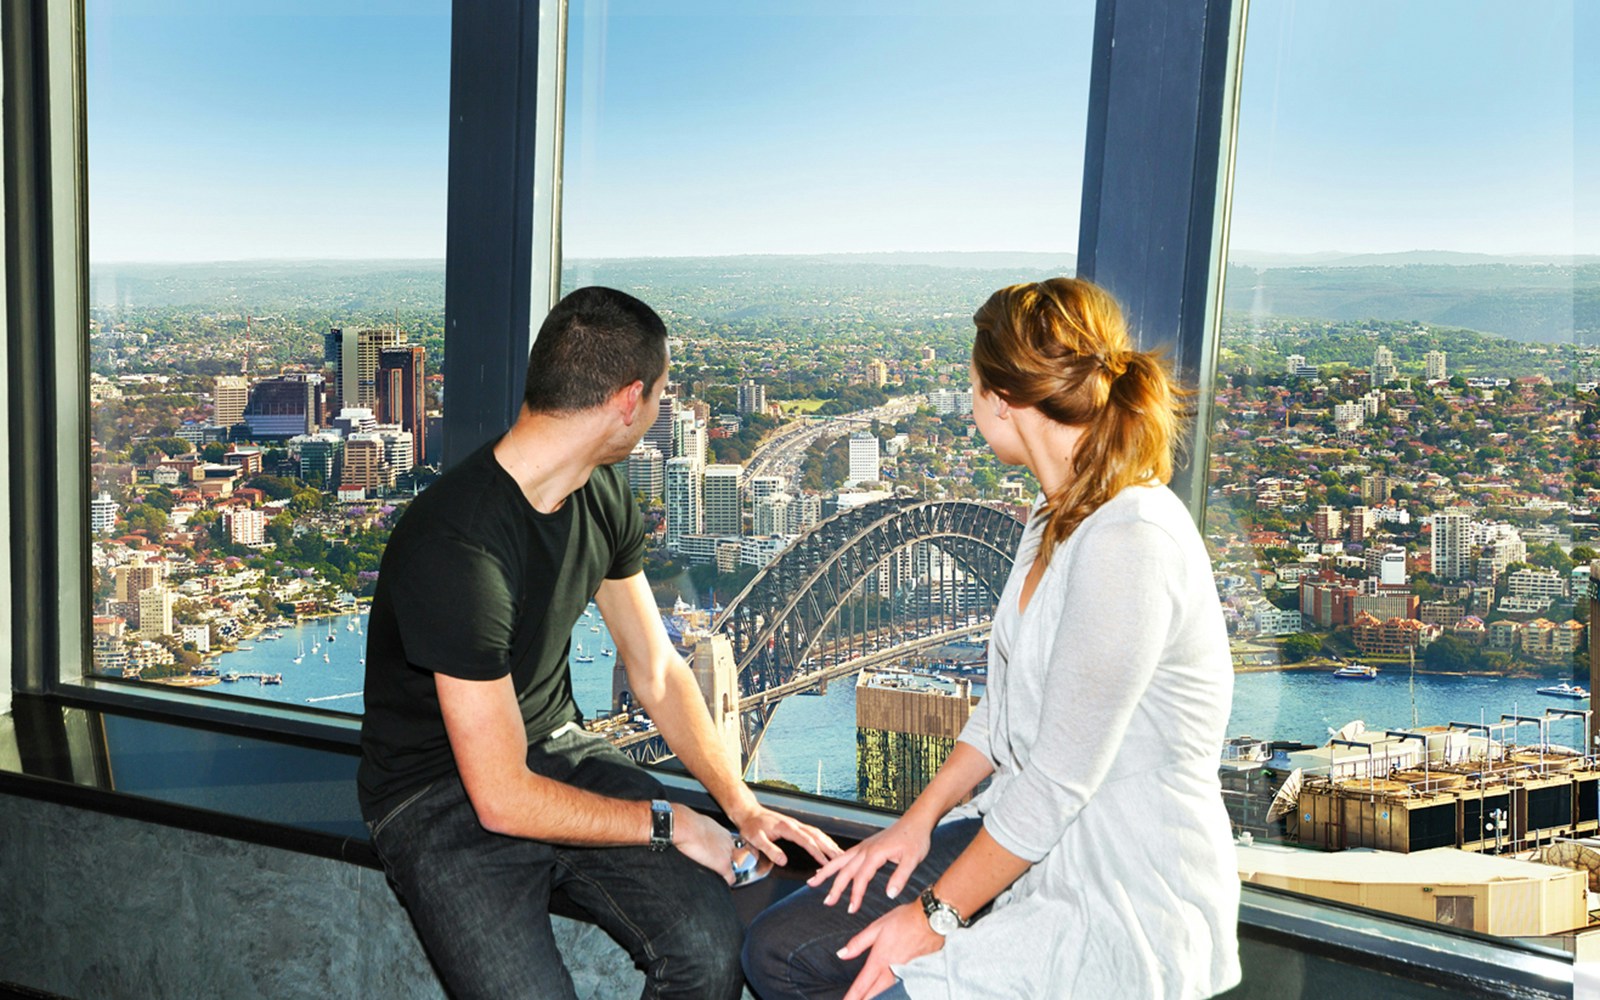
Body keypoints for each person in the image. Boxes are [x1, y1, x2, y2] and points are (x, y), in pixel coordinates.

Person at [742, 277, 1241, 1000]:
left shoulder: (1131, 540)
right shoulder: (1053, 515)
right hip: (1022, 834)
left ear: (1003, 399)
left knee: (873, 980)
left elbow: (1058, 780)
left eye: (972, 383)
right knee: (783, 952)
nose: (970, 399)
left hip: (1118, 886)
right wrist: (915, 824)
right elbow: (1002, 708)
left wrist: (933, 916)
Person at [358, 286, 840, 1000]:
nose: (658, 413)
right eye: (660, 396)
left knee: (709, 952)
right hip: (437, 796)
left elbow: (657, 670)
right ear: (628, 400)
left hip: (552, 746)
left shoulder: (601, 494)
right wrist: (671, 824)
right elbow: (499, 798)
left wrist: (740, 805)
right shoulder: (457, 547)